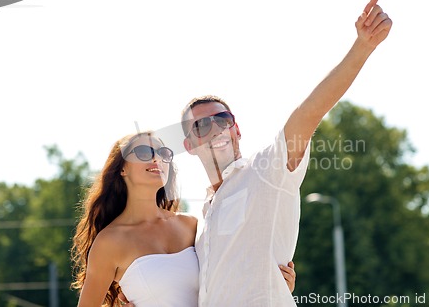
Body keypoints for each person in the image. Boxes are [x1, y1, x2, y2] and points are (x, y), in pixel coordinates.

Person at [179, 0, 392, 307]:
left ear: (236, 128)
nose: (216, 128)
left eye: (223, 119)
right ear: (190, 145)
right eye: (202, 125)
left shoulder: (265, 171)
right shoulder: (202, 218)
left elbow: (309, 113)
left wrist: (362, 47)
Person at [71, 131, 296, 307]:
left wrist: (275, 282)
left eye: (163, 153)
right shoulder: (109, 242)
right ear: (122, 169)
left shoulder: (192, 225)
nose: (157, 159)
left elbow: (233, 268)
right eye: (143, 152)